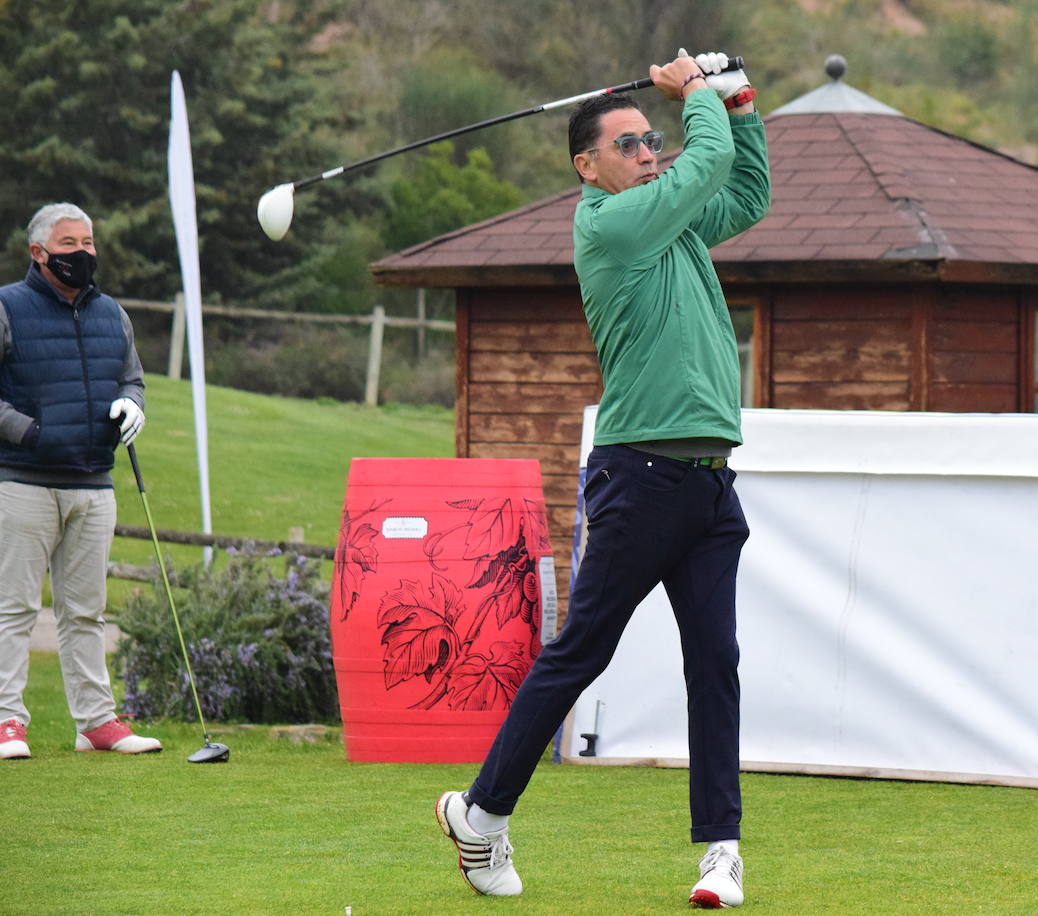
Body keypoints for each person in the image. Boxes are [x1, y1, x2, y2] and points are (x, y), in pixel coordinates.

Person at [434, 50, 769, 907]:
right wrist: (696, 95)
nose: (648, 152)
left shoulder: (674, 222)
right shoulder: (611, 227)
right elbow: (708, 167)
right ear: (588, 169)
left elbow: (744, 190)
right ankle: (482, 812)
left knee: (716, 663)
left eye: (651, 139)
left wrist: (736, 103)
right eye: (629, 145)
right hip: (640, 476)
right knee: (583, 650)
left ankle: (721, 854)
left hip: (707, 485)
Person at [0, 202, 161, 760]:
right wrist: (29, 432)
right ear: (38, 253)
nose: (83, 254)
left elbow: (131, 376)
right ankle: (5, 722)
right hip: (22, 480)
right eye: (70, 245)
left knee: (86, 611)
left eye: (89, 243)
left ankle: (95, 723)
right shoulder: (6, 306)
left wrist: (132, 404)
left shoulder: (111, 311)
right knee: (14, 607)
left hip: (94, 481)